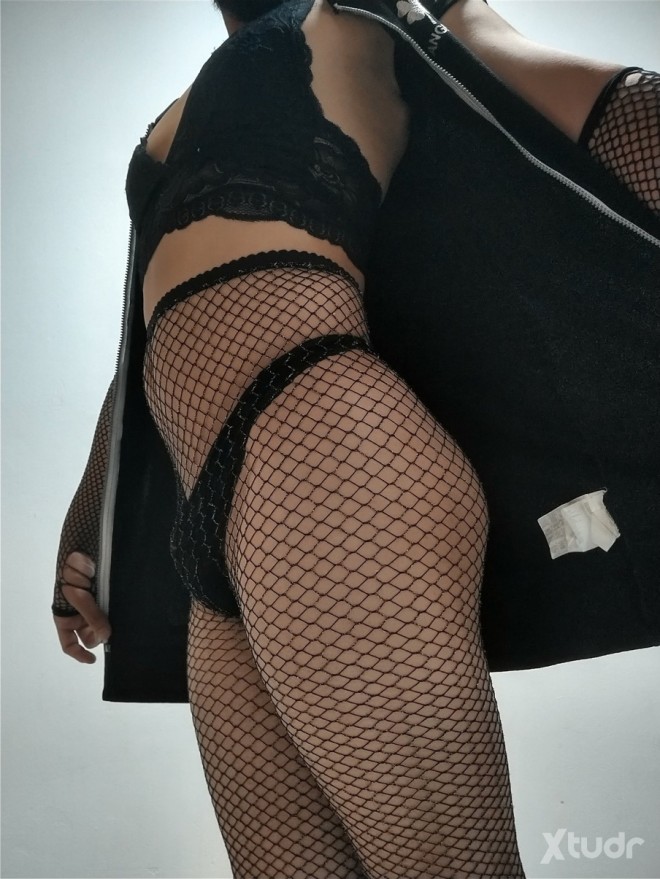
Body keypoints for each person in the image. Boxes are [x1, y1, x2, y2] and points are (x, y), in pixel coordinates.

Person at [51, 1, 659, 877]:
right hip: (216, 526)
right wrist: (87, 516)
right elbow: (139, 344)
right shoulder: (197, 99)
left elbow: (569, 96)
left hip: (332, 455)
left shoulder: (371, 16)